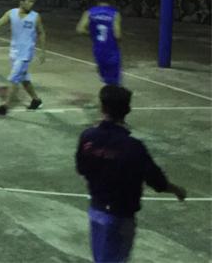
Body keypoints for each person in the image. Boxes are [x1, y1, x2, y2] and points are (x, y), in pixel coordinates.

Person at [76, 85, 186, 263]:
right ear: (127, 110)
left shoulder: (88, 137)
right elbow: (157, 181)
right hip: (120, 215)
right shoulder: (133, 147)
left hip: (96, 210)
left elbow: (81, 168)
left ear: (102, 107)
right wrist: (177, 190)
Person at [0, 0, 45, 116]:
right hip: (14, 52)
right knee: (24, 79)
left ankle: (5, 106)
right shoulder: (11, 13)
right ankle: (36, 100)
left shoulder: (35, 17)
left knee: (14, 78)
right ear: (22, 2)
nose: (31, 4)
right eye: (29, 1)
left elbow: (41, 32)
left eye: (33, 2)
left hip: (26, 54)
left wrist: (42, 51)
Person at [76, 0, 122, 85]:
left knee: (104, 78)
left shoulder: (90, 12)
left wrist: (92, 34)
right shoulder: (114, 13)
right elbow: (117, 35)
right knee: (114, 80)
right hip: (111, 50)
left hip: (98, 49)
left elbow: (80, 29)